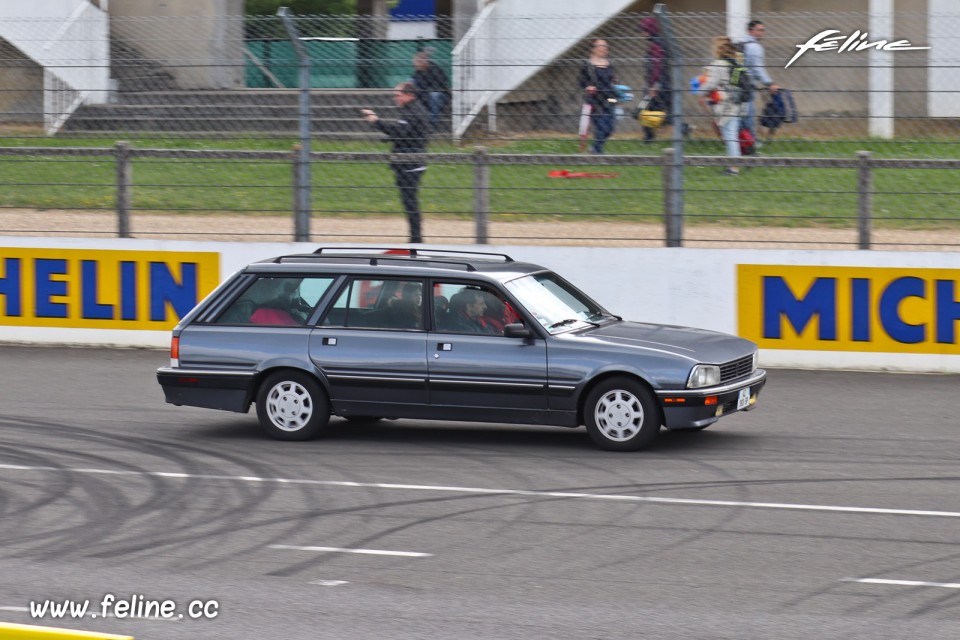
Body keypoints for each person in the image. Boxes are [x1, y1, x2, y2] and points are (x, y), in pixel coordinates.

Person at [362, 82, 430, 243]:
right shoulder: (412, 109)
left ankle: (416, 239)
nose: (395, 98)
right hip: (409, 161)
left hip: (411, 164)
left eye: (398, 95)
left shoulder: (412, 111)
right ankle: (415, 237)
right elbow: (408, 134)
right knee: (409, 201)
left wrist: (376, 121)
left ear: (410, 95)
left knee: (410, 202)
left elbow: (400, 131)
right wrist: (391, 138)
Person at [698, 37, 747, 176]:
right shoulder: (734, 63)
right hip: (737, 102)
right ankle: (735, 164)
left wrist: (700, 92)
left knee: (730, 136)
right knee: (731, 135)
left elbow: (711, 83)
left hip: (726, 104)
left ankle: (734, 168)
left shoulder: (718, 64)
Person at [740, 20, 779, 145]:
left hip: (736, 83)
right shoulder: (755, 47)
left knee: (740, 114)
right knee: (749, 115)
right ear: (751, 31)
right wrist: (769, 83)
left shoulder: (740, 44)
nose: (762, 32)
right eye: (759, 30)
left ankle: (741, 139)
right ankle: (751, 142)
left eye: (763, 30)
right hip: (747, 85)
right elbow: (758, 68)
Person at [578, 39, 619, 154]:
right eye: (601, 46)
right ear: (594, 49)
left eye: (606, 46)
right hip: (595, 100)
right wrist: (588, 87)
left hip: (610, 98)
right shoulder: (587, 64)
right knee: (601, 126)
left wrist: (615, 82)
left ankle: (595, 148)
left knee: (610, 127)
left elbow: (612, 79)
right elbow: (581, 82)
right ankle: (597, 150)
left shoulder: (610, 63)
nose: (604, 48)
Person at [411, 49, 450, 132]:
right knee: (411, 81)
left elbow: (440, 86)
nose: (415, 66)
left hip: (441, 96)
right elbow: (418, 88)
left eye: (417, 63)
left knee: (434, 95)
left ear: (424, 62)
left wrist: (425, 92)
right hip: (426, 95)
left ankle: (432, 123)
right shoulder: (418, 72)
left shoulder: (435, 69)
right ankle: (413, 121)